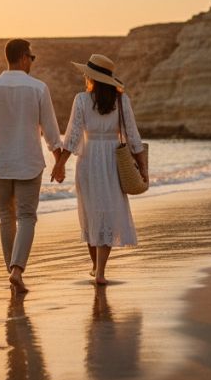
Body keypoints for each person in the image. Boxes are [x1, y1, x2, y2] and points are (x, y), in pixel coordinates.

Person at [0, 39, 63, 293]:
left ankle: (12, 272)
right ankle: (17, 270)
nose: (31, 63)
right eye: (31, 58)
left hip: (1, 162)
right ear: (23, 57)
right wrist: (59, 160)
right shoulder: (38, 88)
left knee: (6, 218)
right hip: (29, 162)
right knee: (26, 217)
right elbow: (51, 130)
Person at [51, 54, 146, 285]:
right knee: (108, 212)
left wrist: (59, 163)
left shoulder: (82, 100)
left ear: (91, 77)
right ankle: (99, 270)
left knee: (91, 213)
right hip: (114, 158)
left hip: (89, 158)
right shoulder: (122, 101)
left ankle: (96, 268)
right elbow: (133, 137)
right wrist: (143, 168)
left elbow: (72, 136)